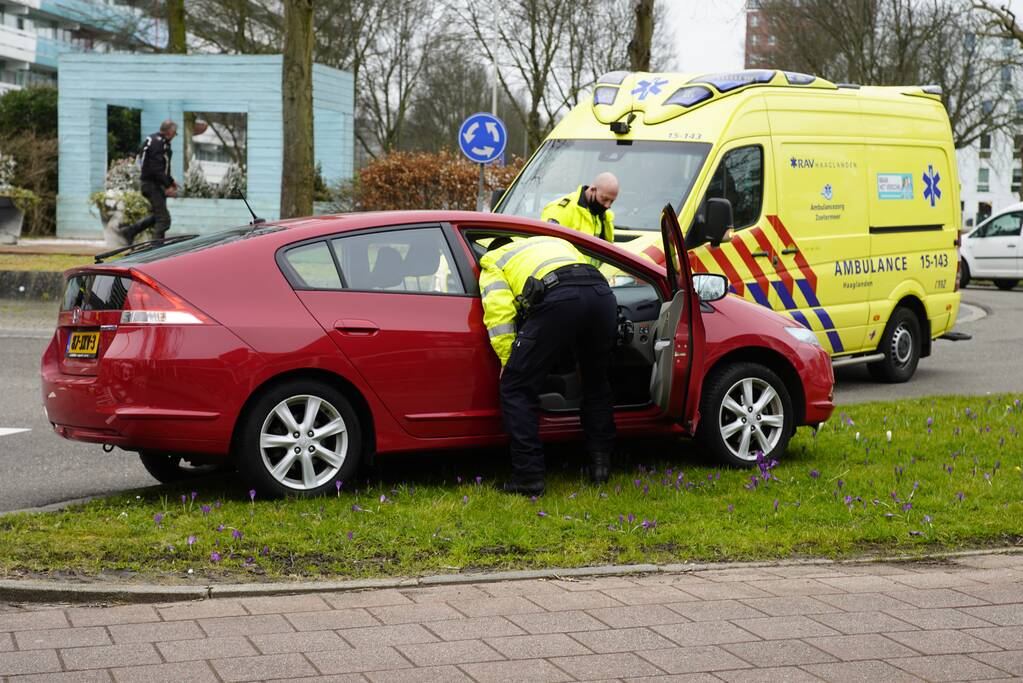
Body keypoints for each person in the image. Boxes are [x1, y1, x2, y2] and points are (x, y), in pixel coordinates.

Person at [480, 235, 618, 495]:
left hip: (559, 299)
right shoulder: (550, 242)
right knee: (595, 381)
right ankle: (600, 466)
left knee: (517, 387)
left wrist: (508, 359)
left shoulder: (493, 260)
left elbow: (499, 312)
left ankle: (528, 478)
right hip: (602, 296)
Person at [121, 120, 178, 243]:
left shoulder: (154, 140)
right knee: (164, 220)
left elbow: (160, 166)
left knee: (157, 217)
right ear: (170, 131)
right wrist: (167, 186)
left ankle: (129, 231)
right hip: (152, 184)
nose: (175, 135)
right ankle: (156, 249)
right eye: (175, 133)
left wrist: (170, 181)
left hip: (151, 183)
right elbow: (155, 168)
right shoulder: (159, 143)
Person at [540, 172, 618, 242]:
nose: (608, 205)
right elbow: (549, 245)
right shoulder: (560, 210)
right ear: (592, 189)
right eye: (605, 199)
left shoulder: (605, 216)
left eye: (612, 201)